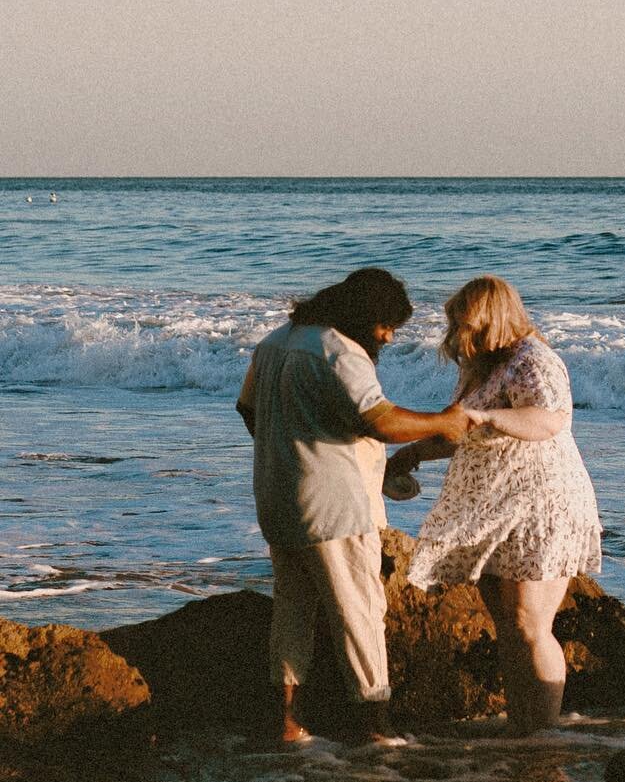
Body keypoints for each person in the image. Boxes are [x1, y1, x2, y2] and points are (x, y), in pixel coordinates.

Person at [236, 266, 476, 744]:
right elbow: (381, 420)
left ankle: (286, 722)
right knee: (359, 612)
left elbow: (247, 410)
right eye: (386, 325)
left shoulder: (277, 341)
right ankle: (374, 727)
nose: (388, 335)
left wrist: (292, 448)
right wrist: (442, 423)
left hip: (279, 496)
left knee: (292, 610)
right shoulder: (339, 352)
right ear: (362, 316)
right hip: (336, 507)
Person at [385, 275, 601, 733]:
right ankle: (521, 724)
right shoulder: (484, 366)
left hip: (541, 506)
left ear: (491, 318)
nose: (455, 333)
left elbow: (549, 419)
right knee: (507, 622)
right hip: (498, 509)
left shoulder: (533, 359)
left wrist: (488, 416)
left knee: (529, 622)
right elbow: (462, 430)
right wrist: (412, 453)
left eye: (464, 323)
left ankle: (542, 733)